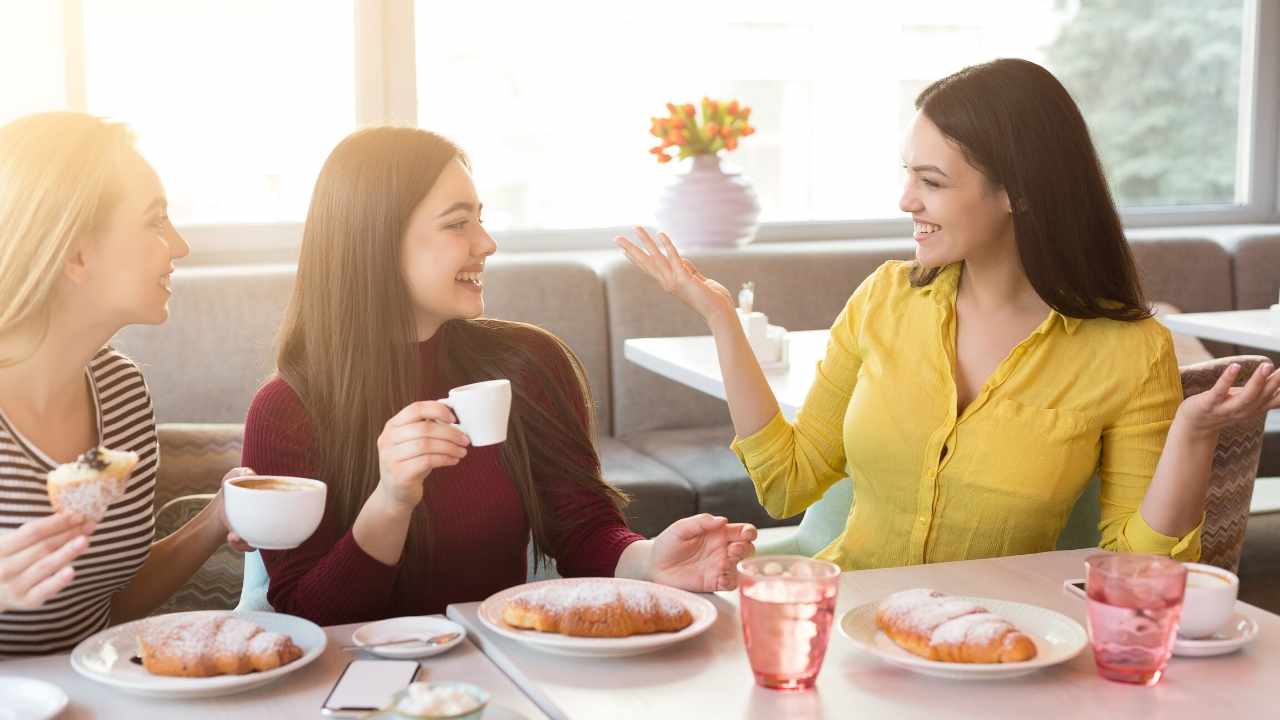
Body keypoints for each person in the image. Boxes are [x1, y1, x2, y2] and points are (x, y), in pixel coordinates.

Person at [618, 58, 1280, 570]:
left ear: (1018, 193)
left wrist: (1194, 439)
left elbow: (1139, 570)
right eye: (909, 174)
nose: (906, 199)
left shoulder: (1128, 350)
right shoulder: (884, 299)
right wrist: (720, 317)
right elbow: (788, 485)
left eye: (932, 182)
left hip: (998, 652)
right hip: (847, 633)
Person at [241, 127, 757, 625]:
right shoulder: (286, 410)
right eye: (457, 223)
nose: (486, 243)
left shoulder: (527, 363)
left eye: (480, 219)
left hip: (501, 671)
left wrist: (648, 563)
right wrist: (392, 500)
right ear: (376, 241)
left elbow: (583, 530)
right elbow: (309, 614)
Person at [0, 112, 252, 655]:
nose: (179, 246)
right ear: (75, 253)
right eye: (156, 221)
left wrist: (216, 518)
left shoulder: (121, 392)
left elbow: (114, 599)